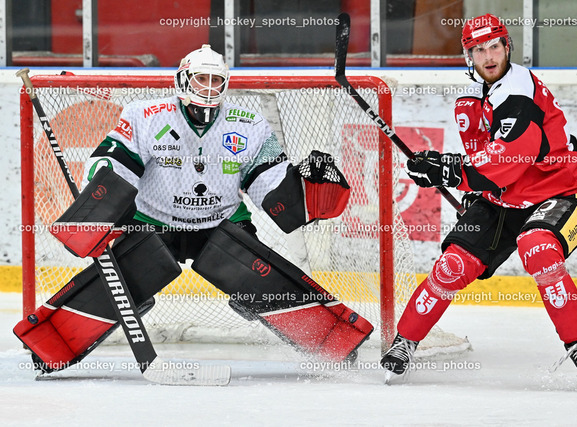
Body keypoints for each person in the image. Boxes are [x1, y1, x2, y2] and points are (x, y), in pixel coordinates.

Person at [14, 45, 372, 374]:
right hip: (151, 223)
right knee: (118, 284)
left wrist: (304, 198)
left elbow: (269, 182)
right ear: (184, 79)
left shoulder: (248, 125)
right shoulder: (145, 116)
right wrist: (99, 209)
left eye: (217, 79)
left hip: (222, 222)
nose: (210, 86)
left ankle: (333, 341)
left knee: (267, 282)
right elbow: (114, 162)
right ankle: (52, 346)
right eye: (203, 78)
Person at [380, 14, 577, 389]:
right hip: (501, 199)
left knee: (537, 248)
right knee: (452, 267)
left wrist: (452, 170)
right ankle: (405, 342)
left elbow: (508, 160)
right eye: (478, 50)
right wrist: (446, 172)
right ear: (468, 55)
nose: (488, 56)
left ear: (507, 47)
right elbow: (483, 164)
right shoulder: (469, 101)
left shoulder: (519, 91)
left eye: (495, 47)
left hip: (557, 190)